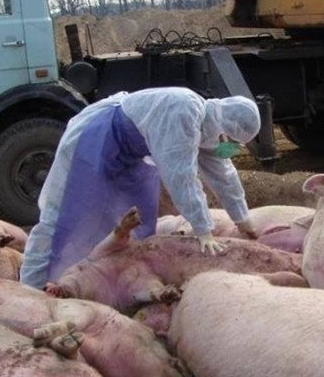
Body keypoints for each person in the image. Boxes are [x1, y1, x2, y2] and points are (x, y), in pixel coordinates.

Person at [19, 87, 261, 289]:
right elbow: (180, 176)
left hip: (129, 154)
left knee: (136, 222)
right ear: (225, 126)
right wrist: (203, 228)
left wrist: (243, 220)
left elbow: (224, 174)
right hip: (98, 137)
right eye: (231, 140)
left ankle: (107, 285)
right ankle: (31, 286)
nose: (228, 145)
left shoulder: (208, 129)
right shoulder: (184, 111)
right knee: (65, 213)